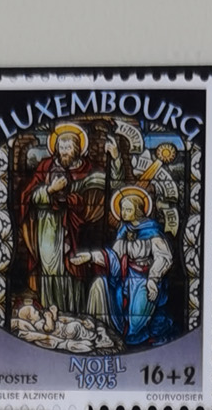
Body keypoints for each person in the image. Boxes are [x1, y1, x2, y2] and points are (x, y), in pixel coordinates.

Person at [16, 121, 106, 320]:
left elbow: (98, 198)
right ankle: (51, 312)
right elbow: (28, 197)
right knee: (50, 269)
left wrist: (75, 200)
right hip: (48, 227)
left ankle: (74, 314)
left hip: (76, 229)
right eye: (61, 147)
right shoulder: (46, 166)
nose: (63, 151)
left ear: (77, 149)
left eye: (67, 147)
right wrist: (50, 190)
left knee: (75, 269)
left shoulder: (90, 169)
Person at [70, 185, 177, 348]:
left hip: (145, 278)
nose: (122, 213)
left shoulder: (151, 230)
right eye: (122, 209)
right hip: (125, 276)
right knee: (99, 285)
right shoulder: (124, 230)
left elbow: (164, 257)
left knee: (137, 317)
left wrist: (153, 279)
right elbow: (114, 256)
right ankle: (104, 333)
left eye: (127, 210)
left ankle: (135, 342)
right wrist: (90, 256)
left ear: (138, 211)